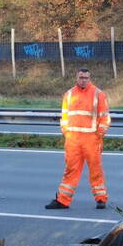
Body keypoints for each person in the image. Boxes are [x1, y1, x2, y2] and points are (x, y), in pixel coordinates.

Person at [45, 68, 111, 209]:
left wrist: (98, 135)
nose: (84, 80)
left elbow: (105, 117)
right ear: (77, 78)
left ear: (89, 78)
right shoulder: (68, 95)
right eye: (81, 77)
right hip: (73, 139)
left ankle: (101, 199)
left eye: (86, 78)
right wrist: (66, 132)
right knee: (70, 170)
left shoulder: (98, 94)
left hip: (91, 139)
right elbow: (64, 116)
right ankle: (63, 200)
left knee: (95, 170)